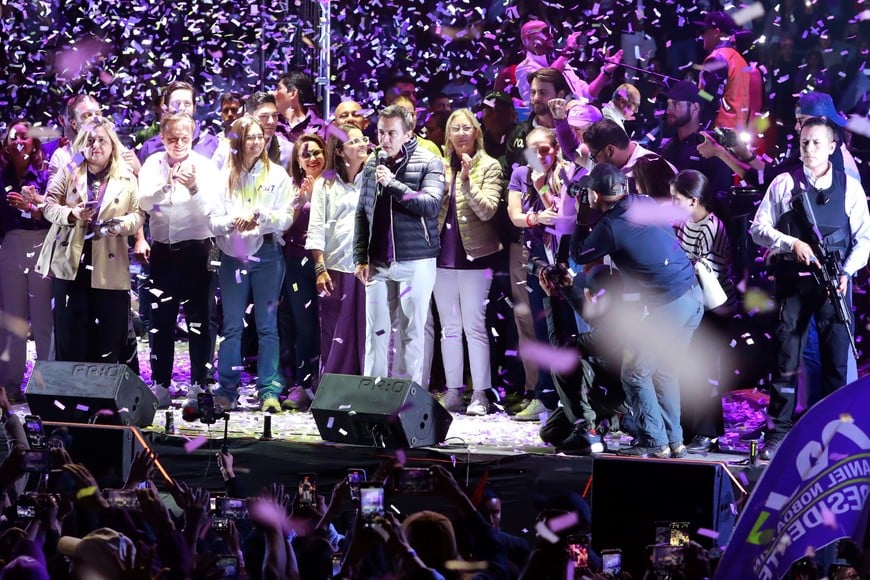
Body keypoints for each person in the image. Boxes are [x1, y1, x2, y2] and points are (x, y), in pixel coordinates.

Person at [749, 116, 870, 460]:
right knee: (787, 356)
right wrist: (790, 243)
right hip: (793, 284)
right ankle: (779, 431)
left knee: (835, 361)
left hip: (834, 283)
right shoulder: (784, 183)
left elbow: (864, 240)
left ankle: (836, 433)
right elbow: (758, 229)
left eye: (817, 143)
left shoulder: (850, 187)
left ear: (832, 147)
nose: (810, 149)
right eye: (804, 142)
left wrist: (847, 271)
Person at [570, 163, 704, 458]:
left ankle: (655, 444)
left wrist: (581, 216)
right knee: (664, 372)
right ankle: (674, 442)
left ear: (596, 194)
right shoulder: (642, 202)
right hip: (692, 298)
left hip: (669, 305)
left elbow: (577, 254)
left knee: (634, 374)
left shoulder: (612, 227)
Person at [191, 116, 294, 413]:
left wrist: (261, 218)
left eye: (259, 136)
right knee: (233, 325)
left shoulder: (276, 175)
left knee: (267, 326)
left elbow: (286, 217)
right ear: (237, 142)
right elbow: (212, 221)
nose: (255, 142)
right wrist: (232, 222)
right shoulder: (223, 178)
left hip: (268, 255)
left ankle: (269, 390)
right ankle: (227, 389)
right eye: (249, 137)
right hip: (231, 255)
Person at [36, 117, 144, 365]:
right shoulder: (69, 169)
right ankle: (71, 399)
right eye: (90, 140)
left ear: (113, 145)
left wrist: (121, 225)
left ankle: (102, 401)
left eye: (102, 140)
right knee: (71, 338)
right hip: (71, 264)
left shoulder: (126, 175)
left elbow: (138, 215)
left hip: (109, 264)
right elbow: (48, 206)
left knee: (107, 339)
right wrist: (71, 214)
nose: (96, 145)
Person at [353, 104, 444, 386]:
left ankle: (406, 399)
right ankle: (374, 397)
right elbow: (362, 211)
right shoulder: (372, 163)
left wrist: (394, 184)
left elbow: (430, 205)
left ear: (408, 133)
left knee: (412, 333)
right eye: (380, 132)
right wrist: (360, 256)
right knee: (375, 332)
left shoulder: (429, 161)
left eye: (392, 133)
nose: (385, 140)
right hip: (378, 263)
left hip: (415, 262)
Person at [137, 113, 219, 409]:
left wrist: (194, 186)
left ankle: (199, 383)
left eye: (184, 137)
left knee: (201, 320)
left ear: (193, 134)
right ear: (162, 136)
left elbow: (213, 210)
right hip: (162, 251)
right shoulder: (152, 164)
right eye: (172, 138)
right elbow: (144, 202)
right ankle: (161, 383)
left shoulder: (207, 167)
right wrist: (166, 186)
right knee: (161, 319)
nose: (178, 143)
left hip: (197, 249)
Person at [434, 109, 503, 416]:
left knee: (474, 326)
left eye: (467, 128)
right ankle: (452, 391)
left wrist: (466, 182)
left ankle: (480, 393)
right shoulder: (440, 166)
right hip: (440, 256)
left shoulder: (489, 166)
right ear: (449, 136)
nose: (461, 133)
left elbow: (488, 210)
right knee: (449, 329)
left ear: (477, 132)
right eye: (455, 129)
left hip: (477, 257)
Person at [670, 170, 739, 453]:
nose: (672, 203)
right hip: (693, 304)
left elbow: (713, 272)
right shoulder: (688, 222)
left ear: (693, 200)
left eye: (676, 198)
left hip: (714, 308)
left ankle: (707, 431)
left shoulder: (713, 228)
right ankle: (689, 426)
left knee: (706, 370)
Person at [506, 127, 571, 421]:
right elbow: (515, 215)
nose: (539, 155)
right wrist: (535, 218)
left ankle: (573, 398)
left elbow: (563, 215)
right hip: (535, 257)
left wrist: (544, 188)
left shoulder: (566, 171)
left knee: (568, 328)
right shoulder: (521, 174)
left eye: (544, 148)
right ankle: (545, 396)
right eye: (533, 150)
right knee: (541, 327)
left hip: (565, 257)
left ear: (556, 147)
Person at [538, 264, 629, 455]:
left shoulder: (609, 333)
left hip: (614, 393)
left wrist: (552, 298)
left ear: (595, 296)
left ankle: (589, 432)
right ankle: (603, 422)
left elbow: (560, 347)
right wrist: (569, 289)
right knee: (551, 433)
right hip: (609, 387)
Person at [306, 125, 368, 378]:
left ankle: (365, 388)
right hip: (335, 269)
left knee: (366, 332)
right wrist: (320, 267)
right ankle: (333, 391)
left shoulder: (374, 179)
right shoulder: (325, 184)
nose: (363, 144)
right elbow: (316, 226)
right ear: (341, 151)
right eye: (355, 142)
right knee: (335, 334)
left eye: (364, 138)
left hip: (366, 268)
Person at [0, 120, 53, 402]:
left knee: (43, 318)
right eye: (13, 137)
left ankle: (47, 386)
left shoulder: (44, 174)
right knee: (13, 320)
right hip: (10, 245)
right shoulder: (1, 175)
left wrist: (32, 207)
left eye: (24, 137)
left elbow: (52, 214)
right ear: (6, 144)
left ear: (33, 142)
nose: (19, 141)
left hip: (42, 242)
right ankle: (9, 386)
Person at [279, 134, 326, 411]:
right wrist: (301, 200)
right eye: (306, 154)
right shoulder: (291, 186)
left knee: (330, 326)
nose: (312, 159)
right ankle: (302, 385)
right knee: (303, 326)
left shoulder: (333, 183)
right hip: (298, 262)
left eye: (317, 152)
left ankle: (327, 382)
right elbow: (282, 228)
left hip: (329, 262)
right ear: (297, 160)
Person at [514, 19, 622, 105]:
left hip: (578, 121)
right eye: (546, 32)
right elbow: (548, 79)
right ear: (529, 38)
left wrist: (605, 73)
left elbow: (587, 94)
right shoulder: (524, 68)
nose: (551, 36)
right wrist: (568, 51)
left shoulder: (562, 63)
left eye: (551, 31)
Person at [695, 11, 751, 130]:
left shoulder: (717, 58)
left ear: (716, 32)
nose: (702, 35)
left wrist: (696, 91)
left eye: (704, 31)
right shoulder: (740, 59)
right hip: (738, 130)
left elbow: (710, 98)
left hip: (718, 131)